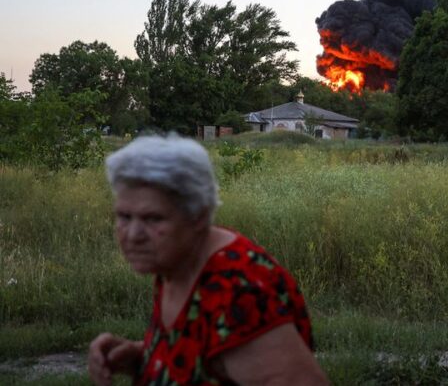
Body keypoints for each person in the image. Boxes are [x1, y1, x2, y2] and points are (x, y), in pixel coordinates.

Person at [88, 134, 328, 386]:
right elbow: (207, 354)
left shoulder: (235, 289)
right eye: (124, 216)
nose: (133, 235)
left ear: (199, 216)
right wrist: (141, 357)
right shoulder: (177, 260)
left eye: (153, 219)